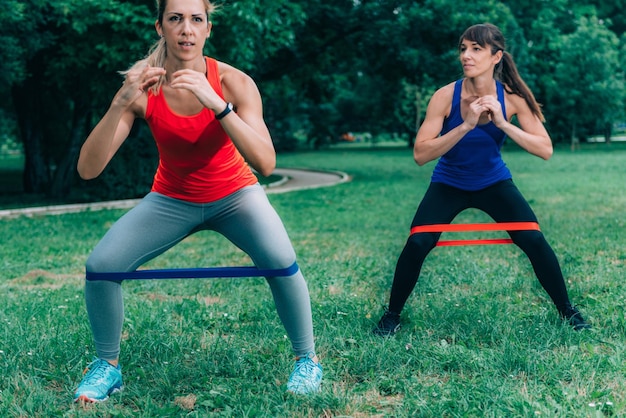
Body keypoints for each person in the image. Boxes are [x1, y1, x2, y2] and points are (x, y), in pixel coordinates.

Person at [73, 0, 322, 402]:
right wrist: (120, 102)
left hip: (235, 195)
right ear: (160, 27)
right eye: (175, 19)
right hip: (172, 198)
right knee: (101, 266)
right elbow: (88, 170)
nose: (186, 29)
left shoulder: (234, 82)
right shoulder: (144, 88)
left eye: (195, 19)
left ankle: (307, 360)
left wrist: (217, 104)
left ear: (208, 29)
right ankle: (107, 367)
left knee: (281, 262)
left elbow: (266, 163)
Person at [373, 23, 590, 337]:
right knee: (418, 241)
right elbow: (421, 154)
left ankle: (568, 311)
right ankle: (391, 316)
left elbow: (545, 149)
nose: (466, 55)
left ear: (496, 56)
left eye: (476, 49)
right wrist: (464, 126)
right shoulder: (445, 96)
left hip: (493, 182)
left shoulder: (512, 97)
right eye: (463, 48)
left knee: (532, 238)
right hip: (449, 182)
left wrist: (502, 123)